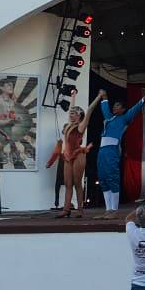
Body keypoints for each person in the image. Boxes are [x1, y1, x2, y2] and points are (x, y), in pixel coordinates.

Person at [52, 90, 102, 218]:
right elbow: (71, 108)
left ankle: (80, 209)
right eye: (71, 113)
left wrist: (98, 96)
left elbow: (89, 110)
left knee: (77, 183)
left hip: (78, 156)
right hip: (68, 156)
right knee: (68, 183)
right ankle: (66, 209)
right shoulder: (69, 125)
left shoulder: (81, 126)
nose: (71, 114)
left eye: (74, 113)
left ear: (79, 116)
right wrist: (73, 96)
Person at [96, 95, 145, 219]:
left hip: (112, 150)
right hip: (102, 151)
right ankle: (108, 210)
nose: (114, 107)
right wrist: (104, 97)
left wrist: (144, 98)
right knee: (103, 179)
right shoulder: (109, 117)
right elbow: (105, 108)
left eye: (118, 105)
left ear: (123, 109)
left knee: (112, 177)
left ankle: (114, 210)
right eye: (114, 105)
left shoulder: (124, 118)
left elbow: (135, 109)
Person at [0, 77, 29, 167]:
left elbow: (9, 116)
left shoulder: (11, 101)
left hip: (8, 133)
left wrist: (16, 118)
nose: (11, 87)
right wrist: (7, 121)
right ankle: (1, 155)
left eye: (12, 85)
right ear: (1, 87)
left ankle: (11, 154)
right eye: (8, 85)